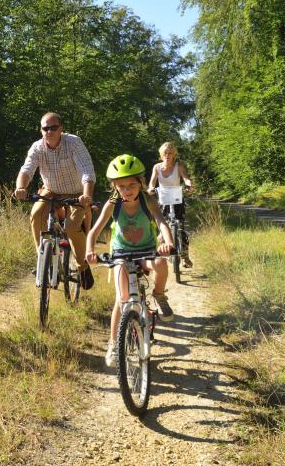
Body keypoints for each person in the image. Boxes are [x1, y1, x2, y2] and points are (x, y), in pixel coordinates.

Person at [86, 154, 175, 369]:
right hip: (121, 253)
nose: (127, 190)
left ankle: (159, 295)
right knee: (122, 298)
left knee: (161, 265)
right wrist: (89, 251)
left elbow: (162, 223)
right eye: (121, 186)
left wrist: (168, 243)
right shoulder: (112, 204)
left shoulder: (147, 200)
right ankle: (114, 344)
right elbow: (94, 231)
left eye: (131, 185)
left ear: (141, 183)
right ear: (114, 187)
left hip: (147, 250)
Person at [14, 112, 96, 290]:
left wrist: (86, 195)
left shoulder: (73, 142)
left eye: (53, 127)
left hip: (76, 192)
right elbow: (27, 169)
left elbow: (87, 171)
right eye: (45, 128)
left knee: (72, 227)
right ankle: (42, 258)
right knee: (36, 214)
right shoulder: (37, 147)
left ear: (61, 129)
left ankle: (82, 267)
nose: (49, 131)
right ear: (41, 129)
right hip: (51, 190)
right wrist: (21, 188)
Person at [148, 141, 193, 267]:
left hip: (177, 198)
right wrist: (151, 189)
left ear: (174, 155)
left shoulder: (179, 166)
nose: (167, 155)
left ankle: (185, 257)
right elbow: (152, 182)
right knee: (162, 223)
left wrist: (188, 184)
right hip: (163, 198)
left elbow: (186, 178)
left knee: (181, 227)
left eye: (170, 153)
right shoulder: (157, 167)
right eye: (165, 153)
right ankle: (159, 249)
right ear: (161, 155)